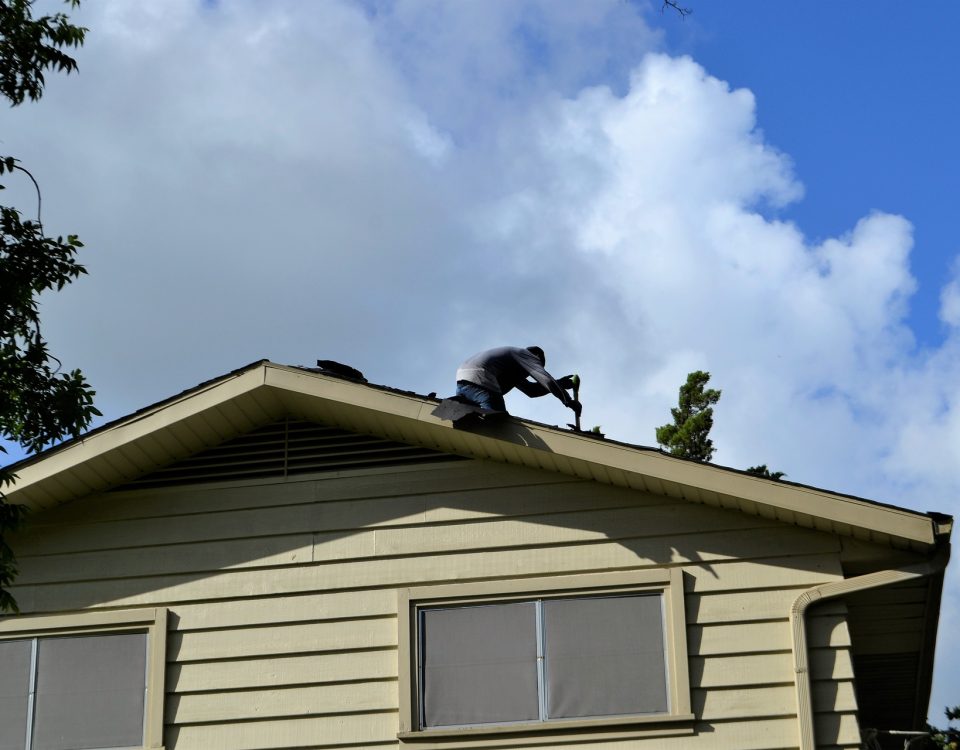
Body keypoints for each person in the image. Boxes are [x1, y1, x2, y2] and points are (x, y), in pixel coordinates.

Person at [455, 346, 581, 418]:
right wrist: (568, 400)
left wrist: (560, 383)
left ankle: (460, 405)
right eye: (537, 366)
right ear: (536, 357)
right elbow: (546, 380)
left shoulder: (510, 365)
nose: (529, 373)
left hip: (463, 383)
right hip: (481, 381)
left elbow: (531, 390)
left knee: (468, 417)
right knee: (499, 421)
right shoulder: (527, 355)